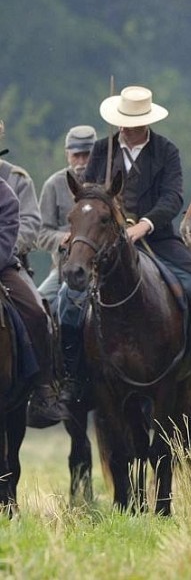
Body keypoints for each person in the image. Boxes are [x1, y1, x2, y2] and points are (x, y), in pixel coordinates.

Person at [57, 86, 191, 414]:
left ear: (146, 122)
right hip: (106, 239)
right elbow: (88, 194)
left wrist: (144, 224)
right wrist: (84, 228)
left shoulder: (166, 151)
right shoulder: (101, 150)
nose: (125, 127)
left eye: (132, 121)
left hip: (157, 238)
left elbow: (173, 198)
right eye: (122, 120)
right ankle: (73, 375)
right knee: (69, 298)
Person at [1, 177, 60, 427]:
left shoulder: (5, 194)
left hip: (2, 266)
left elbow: (5, 242)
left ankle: (42, 389)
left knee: (36, 312)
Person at [37, 125, 97, 305]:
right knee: (38, 304)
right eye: (76, 155)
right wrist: (62, 238)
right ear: (67, 154)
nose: (81, 161)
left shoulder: (105, 181)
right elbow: (40, 233)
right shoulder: (53, 185)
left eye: (86, 154)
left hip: (101, 265)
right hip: (64, 266)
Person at [0, 120, 41, 275]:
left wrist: (9, 246)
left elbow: (30, 223)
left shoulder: (17, 178)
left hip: (8, 263)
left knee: (32, 300)